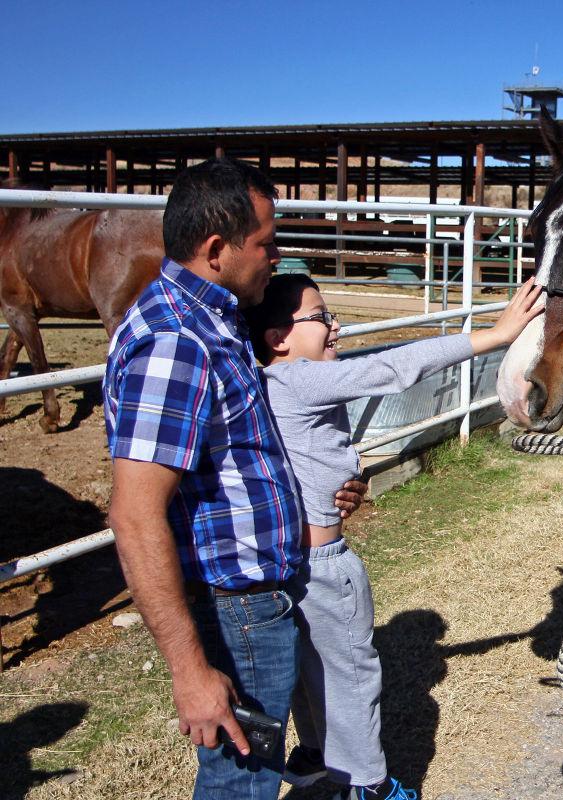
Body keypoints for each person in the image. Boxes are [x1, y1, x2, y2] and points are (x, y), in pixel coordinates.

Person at [104, 157, 366, 799]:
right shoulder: (177, 343)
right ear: (217, 249)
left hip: (257, 594)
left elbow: (240, 451)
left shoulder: (213, 318)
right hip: (238, 607)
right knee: (240, 780)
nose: (275, 257)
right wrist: (191, 670)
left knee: (254, 767)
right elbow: (135, 514)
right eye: (266, 243)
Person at [244, 274, 543, 800]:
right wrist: (495, 336)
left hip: (290, 564)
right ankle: (368, 785)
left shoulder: (264, 384)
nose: (336, 325)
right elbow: (393, 367)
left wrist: (343, 479)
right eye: (321, 317)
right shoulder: (296, 379)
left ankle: (317, 759)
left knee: (313, 675)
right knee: (353, 678)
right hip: (325, 564)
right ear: (279, 339)